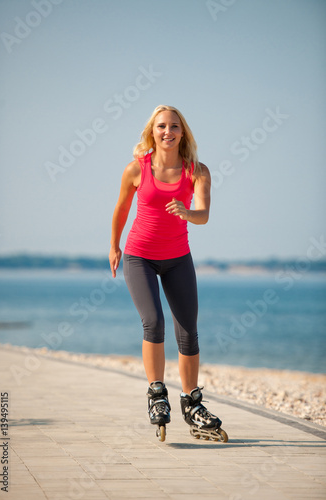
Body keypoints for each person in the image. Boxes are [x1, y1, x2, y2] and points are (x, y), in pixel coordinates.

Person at [109, 105, 223, 440]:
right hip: (139, 257)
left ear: (182, 132)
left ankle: (192, 403)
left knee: (188, 330)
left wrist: (187, 212)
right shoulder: (136, 169)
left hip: (178, 258)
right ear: (152, 131)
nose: (167, 132)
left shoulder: (197, 171)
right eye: (161, 126)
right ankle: (157, 395)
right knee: (153, 322)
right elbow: (121, 208)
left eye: (174, 126)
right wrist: (114, 246)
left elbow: (203, 214)